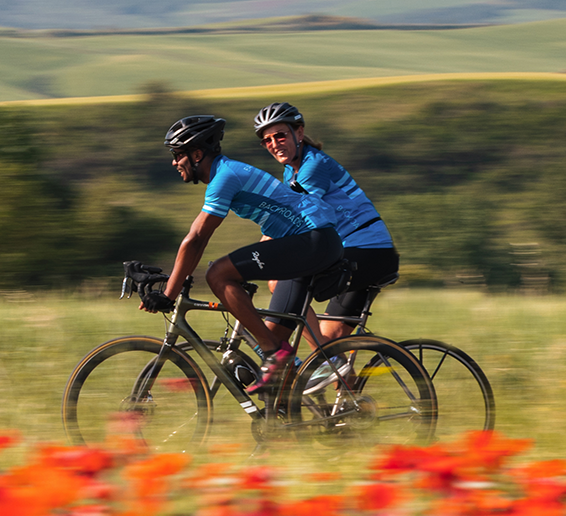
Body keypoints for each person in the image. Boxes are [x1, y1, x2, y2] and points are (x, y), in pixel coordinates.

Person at [146, 114, 341, 390]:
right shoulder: (227, 173)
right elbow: (198, 243)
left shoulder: (224, 177)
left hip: (312, 240)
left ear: (198, 153)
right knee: (273, 360)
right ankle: (300, 406)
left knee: (218, 274)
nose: (174, 162)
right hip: (313, 242)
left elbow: (196, 238)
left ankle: (276, 354)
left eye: (178, 155)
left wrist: (168, 293)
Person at [250, 102, 399, 354]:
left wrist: (252, 257)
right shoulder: (292, 171)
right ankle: (337, 371)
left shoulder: (312, 167)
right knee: (331, 341)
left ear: (298, 133)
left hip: (366, 251)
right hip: (352, 252)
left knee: (281, 281)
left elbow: (294, 220)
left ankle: (322, 359)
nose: (274, 144)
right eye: (267, 140)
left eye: (280, 135)